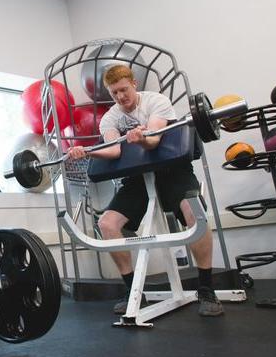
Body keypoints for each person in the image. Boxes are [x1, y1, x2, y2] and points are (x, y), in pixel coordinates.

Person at [66, 65, 224, 317]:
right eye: (114, 92)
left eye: (123, 90)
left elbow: (153, 141)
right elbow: (114, 151)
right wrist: (86, 151)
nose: (120, 97)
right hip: (138, 178)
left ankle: (206, 288)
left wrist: (141, 139)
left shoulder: (156, 101)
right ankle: (132, 293)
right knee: (107, 224)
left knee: (195, 213)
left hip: (173, 170)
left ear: (134, 84)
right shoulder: (110, 117)